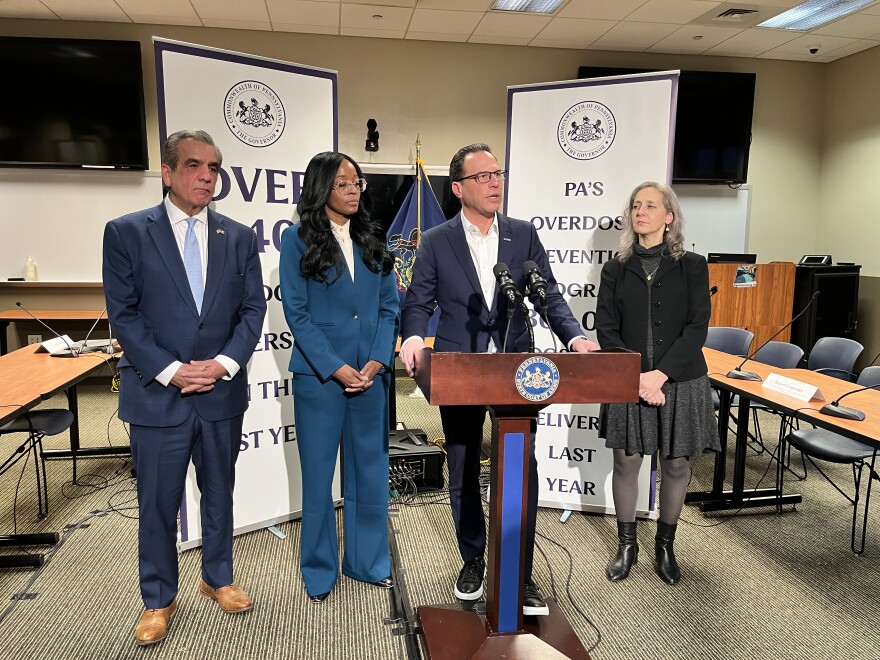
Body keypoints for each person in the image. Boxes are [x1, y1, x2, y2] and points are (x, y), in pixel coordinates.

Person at [399, 143, 598, 616]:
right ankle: (473, 558)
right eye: (483, 175)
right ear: (458, 188)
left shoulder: (523, 235)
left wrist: (573, 339)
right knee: (464, 465)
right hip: (460, 369)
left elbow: (547, 294)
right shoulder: (437, 240)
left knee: (518, 468)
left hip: (517, 369)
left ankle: (519, 570)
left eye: (498, 173)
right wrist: (410, 338)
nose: (494, 182)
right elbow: (418, 302)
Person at [102, 130, 266, 645]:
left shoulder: (238, 236)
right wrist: (173, 370)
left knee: (220, 492)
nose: (206, 176)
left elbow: (253, 309)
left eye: (214, 168)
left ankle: (217, 577)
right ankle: (158, 599)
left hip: (219, 393)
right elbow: (123, 316)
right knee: (157, 502)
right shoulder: (126, 232)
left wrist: (221, 363)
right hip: (158, 395)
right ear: (168, 173)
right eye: (195, 166)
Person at [279, 152, 399, 603]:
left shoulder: (374, 237)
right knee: (318, 475)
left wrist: (376, 361)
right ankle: (319, 569)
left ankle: (367, 563)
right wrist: (336, 366)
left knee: (370, 472)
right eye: (343, 184)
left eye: (357, 183)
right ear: (321, 189)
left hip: (371, 376)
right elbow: (298, 312)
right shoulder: (297, 241)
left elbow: (390, 306)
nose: (354, 191)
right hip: (320, 377)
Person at [595, 181, 720, 586]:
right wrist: (635, 375)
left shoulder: (693, 265)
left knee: (676, 463)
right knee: (627, 460)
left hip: (680, 379)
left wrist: (659, 375)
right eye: (635, 205)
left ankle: (665, 544)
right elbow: (607, 329)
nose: (641, 211)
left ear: (669, 217)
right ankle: (627, 543)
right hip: (628, 378)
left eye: (650, 205)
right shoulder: (615, 268)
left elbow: (697, 326)